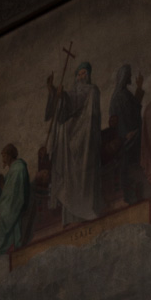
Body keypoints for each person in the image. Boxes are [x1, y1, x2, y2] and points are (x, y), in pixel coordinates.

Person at [45, 61, 102, 224]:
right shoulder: (73, 92)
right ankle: (70, 218)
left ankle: (85, 212)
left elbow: (75, 100)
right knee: (69, 178)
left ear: (89, 75)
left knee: (82, 176)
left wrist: (61, 94)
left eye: (84, 73)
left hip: (85, 140)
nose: (81, 77)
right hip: (70, 141)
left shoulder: (91, 90)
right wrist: (54, 91)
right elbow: (63, 111)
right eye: (79, 74)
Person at [108, 64, 145, 203]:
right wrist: (125, 135)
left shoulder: (123, 94)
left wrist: (139, 88)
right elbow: (121, 119)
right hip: (126, 138)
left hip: (129, 135)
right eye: (128, 75)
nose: (130, 77)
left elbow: (134, 109)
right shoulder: (119, 96)